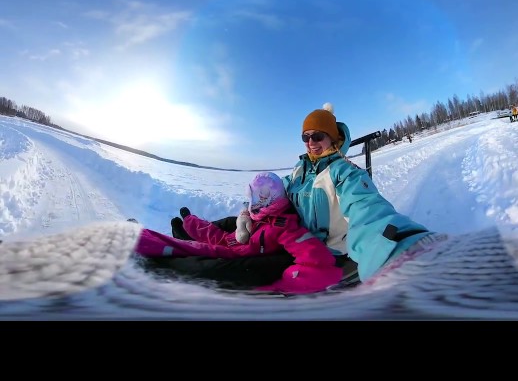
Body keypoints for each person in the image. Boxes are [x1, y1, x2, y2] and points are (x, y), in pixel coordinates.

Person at [165, 103, 444, 288]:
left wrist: (403, 251)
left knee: (239, 266)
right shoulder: (300, 171)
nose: (311, 142)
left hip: (317, 251)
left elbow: (368, 212)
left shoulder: (346, 174)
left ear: (333, 139)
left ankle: (172, 267)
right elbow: (268, 194)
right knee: (232, 222)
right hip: (288, 232)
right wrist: (244, 214)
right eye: (306, 136)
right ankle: (190, 235)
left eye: (318, 136)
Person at [135, 171, 342, 295]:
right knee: (206, 236)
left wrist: (287, 283)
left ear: (267, 199)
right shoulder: (256, 216)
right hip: (230, 244)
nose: (251, 202)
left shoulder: (285, 226)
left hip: (236, 255)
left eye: (255, 198)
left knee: (192, 252)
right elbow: (221, 235)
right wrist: (192, 222)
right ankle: (159, 234)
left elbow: (318, 261)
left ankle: (143, 250)